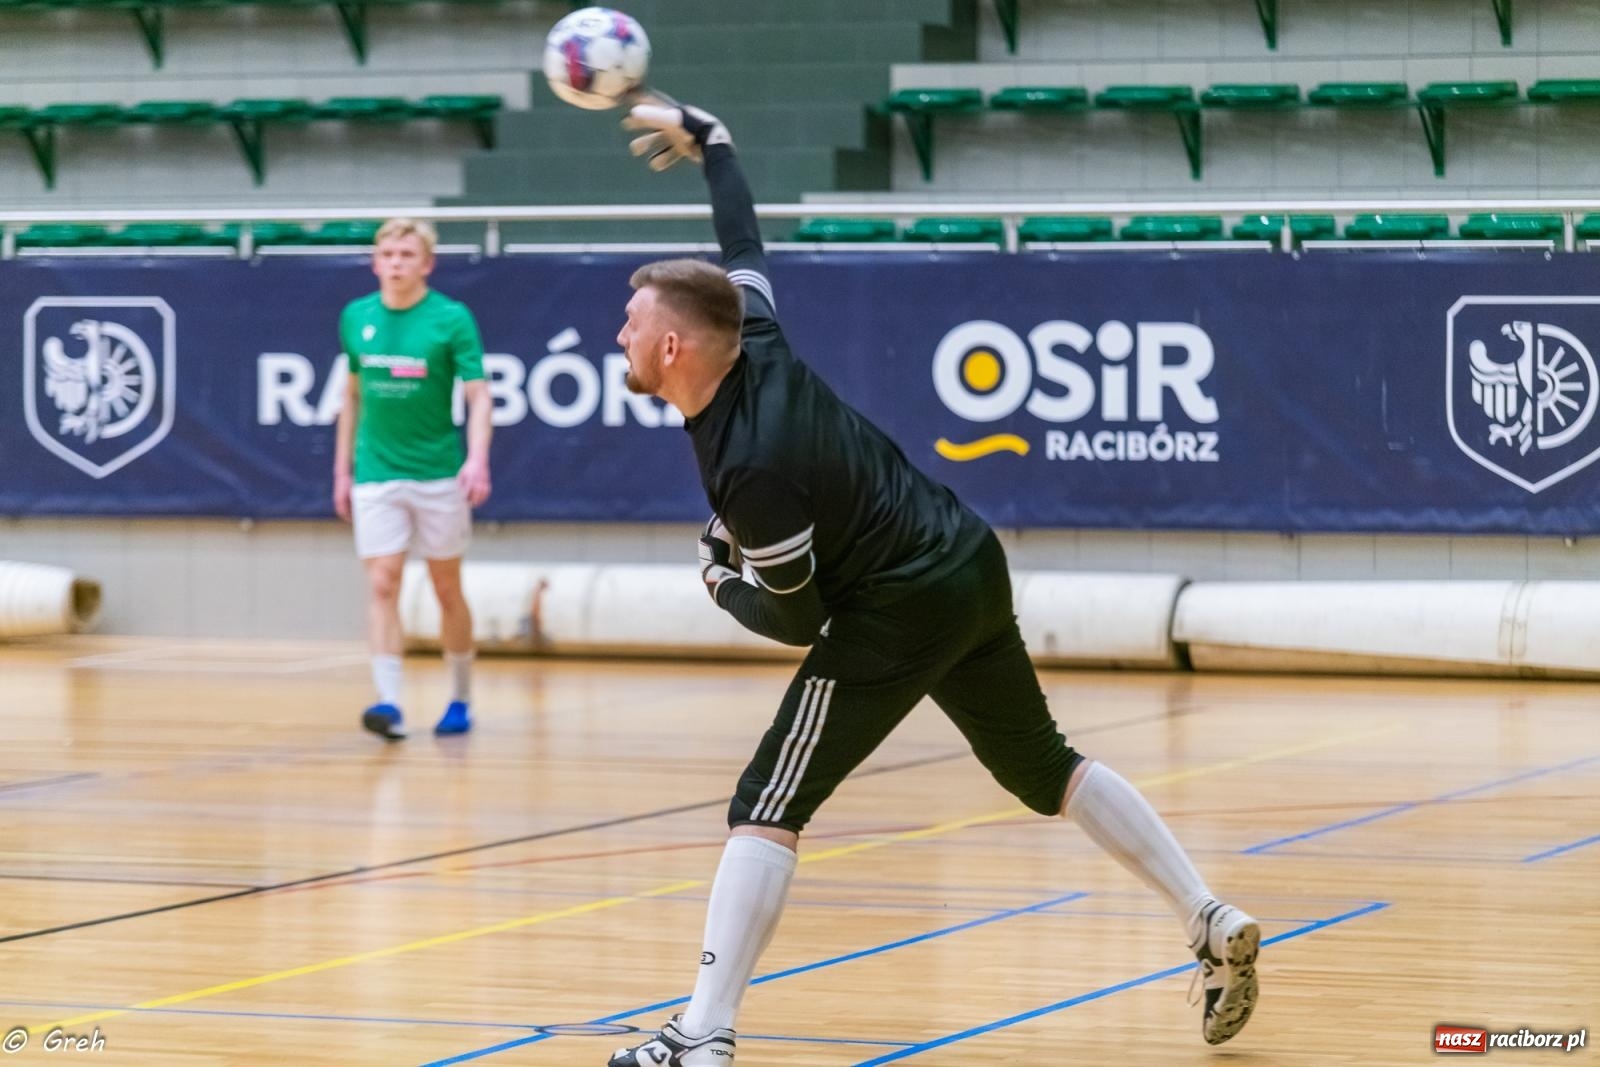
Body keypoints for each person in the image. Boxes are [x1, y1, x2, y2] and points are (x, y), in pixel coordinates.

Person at [604, 99, 1260, 1067]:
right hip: (966, 558)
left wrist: (720, 584)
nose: (617, 334)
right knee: (1042, 764)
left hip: (897, 602)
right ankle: (1207, 914)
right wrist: (715, 143)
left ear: (673, 349)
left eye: (630, 323)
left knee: (766, 801)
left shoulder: (752, 466)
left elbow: (797, 616)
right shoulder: (761, 337)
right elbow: (739, 236)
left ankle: (703, 1031)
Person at [333, 217, 493, 740]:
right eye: (389, 254)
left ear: (426, 263)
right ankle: (389, 702)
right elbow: (352, 395)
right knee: (382, 581)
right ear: (376, 262)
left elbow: (478, 395)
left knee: (447, 587)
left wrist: (477, 459)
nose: (397, 263)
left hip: (437, 473)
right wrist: (341, 470)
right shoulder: (356, 317)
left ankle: (460, 697)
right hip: (376, 473)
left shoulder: (451, 318)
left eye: (407, 254)